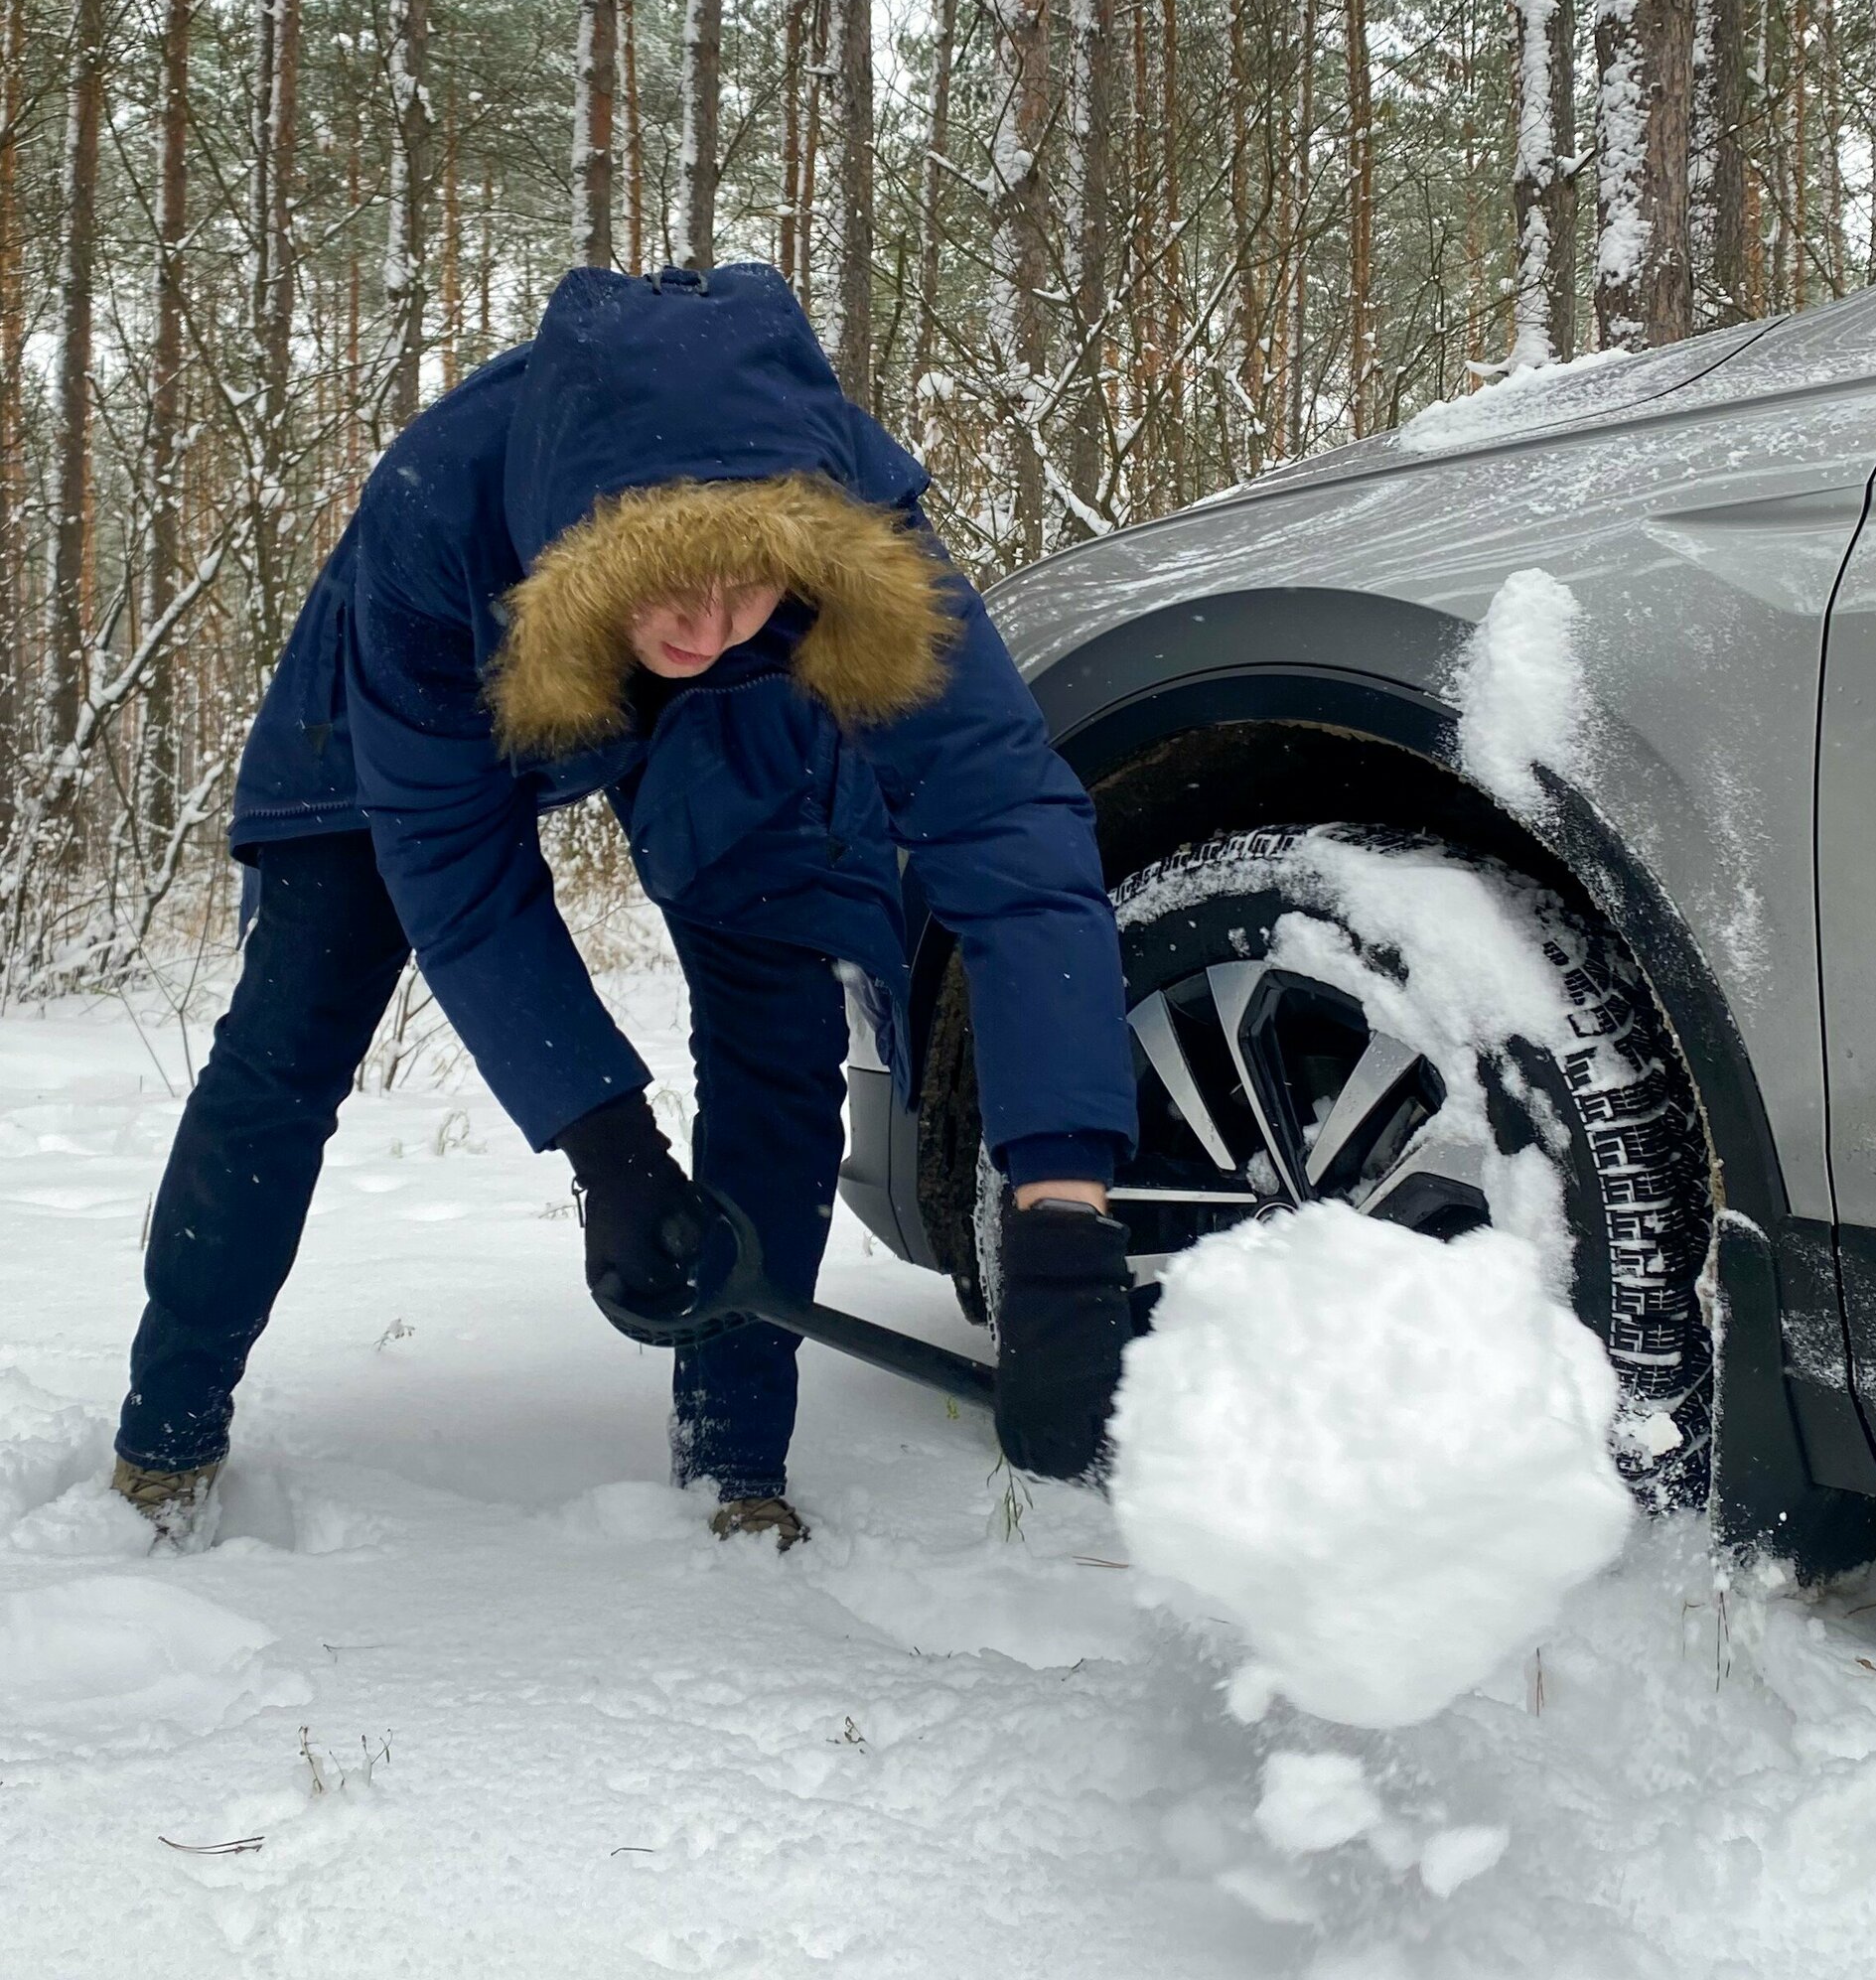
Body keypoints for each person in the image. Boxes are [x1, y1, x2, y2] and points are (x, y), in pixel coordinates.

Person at [108, 263, 1139, 1551]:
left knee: (781, 1028)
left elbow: (1011, 835)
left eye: (746, 580)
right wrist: (609, 1146)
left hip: (744, 723)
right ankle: (168, 1431)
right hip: (437, 684)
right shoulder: (437, 514)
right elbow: (458, 871)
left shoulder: (852, 552)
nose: (704, 624)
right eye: (667, 585)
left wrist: (1061, 1204)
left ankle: (736, 1461)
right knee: (289, 1039)